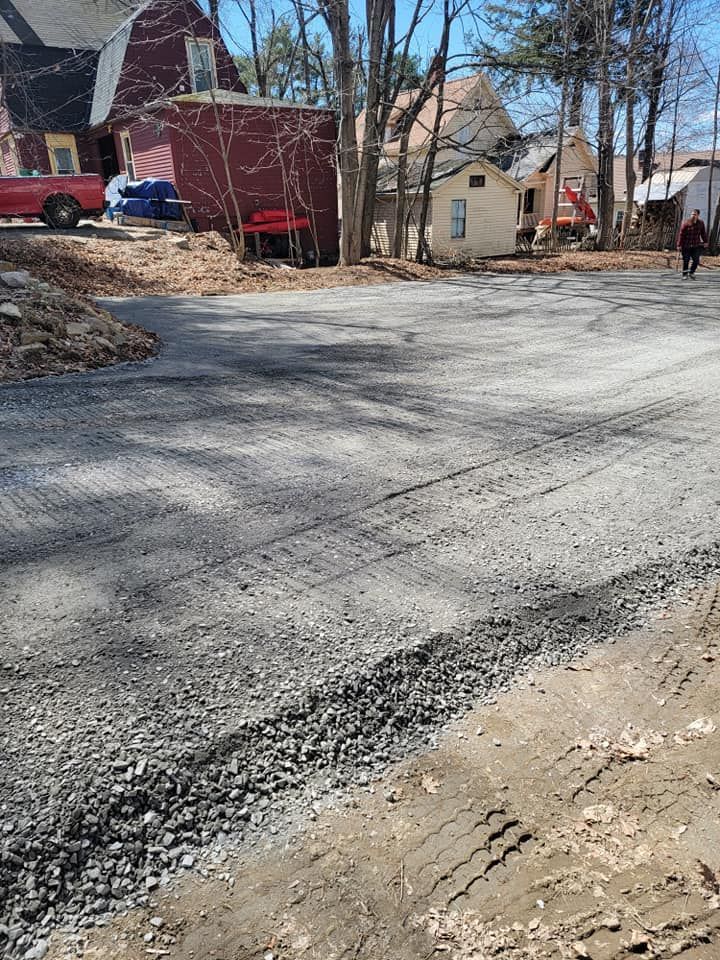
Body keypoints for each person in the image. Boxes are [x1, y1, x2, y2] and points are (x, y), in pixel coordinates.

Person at [677, 209, 708, 279]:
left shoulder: (701, 223)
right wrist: (679, 245)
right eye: (692, 214)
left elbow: (703, 233)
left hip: (696, 245)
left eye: (695, 214)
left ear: (698, 215)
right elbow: (681, 235)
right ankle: (684, 275)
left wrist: (705, 241)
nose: (693, 216)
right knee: (686, 260)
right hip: (686, 245)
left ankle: (691, 272)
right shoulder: (686, 223)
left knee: (696, 260)